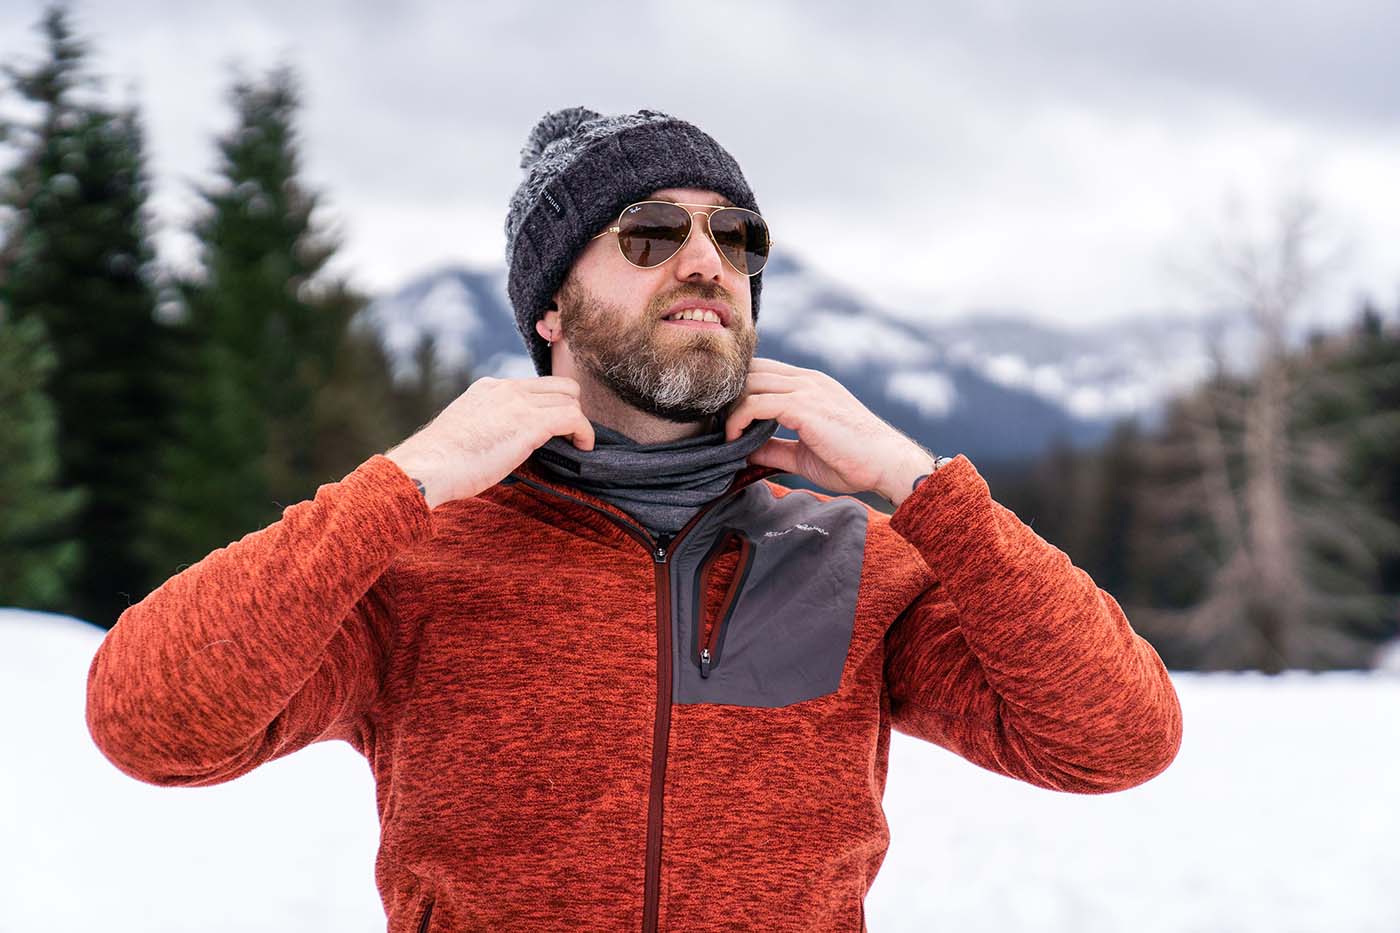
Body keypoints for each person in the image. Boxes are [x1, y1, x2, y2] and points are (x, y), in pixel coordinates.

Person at [86, 106, 1182, 933]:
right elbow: (150, 725)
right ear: (550, 310)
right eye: (649, 233)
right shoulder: (419, 560)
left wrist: (921, 487)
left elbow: (1116, 742)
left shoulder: (855, 555)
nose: (707, 259)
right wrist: (405, 482)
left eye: (734, 236)